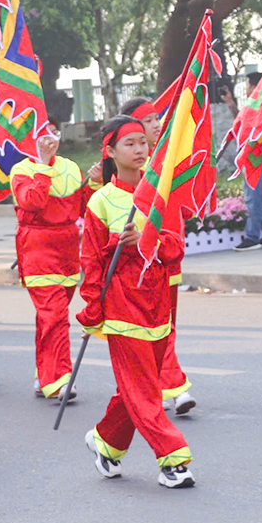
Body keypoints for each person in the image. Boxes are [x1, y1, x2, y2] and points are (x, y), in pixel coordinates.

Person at [79, 115, 195, 488]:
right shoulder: (101, 201)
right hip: (121, 307)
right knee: (146, 391)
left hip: (158, 303)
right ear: (110, 152)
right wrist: (93, 309)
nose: (140, 149)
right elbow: (91, 262)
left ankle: (107, 441)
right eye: (129, 143)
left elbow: (176, 247)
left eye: (143, 142)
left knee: (136, 388)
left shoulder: (160, 193)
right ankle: (172, 457)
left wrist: (150, 242)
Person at [10, 117, 100, 400]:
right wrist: (43, 164)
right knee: (55, 316)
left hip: (68, 250)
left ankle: (43, 374)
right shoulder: (21, 170)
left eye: (53, 132)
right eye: (42, 134)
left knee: (49, 318)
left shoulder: (71, 167)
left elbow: (84, 207)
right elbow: (33, 202)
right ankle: (60, 379)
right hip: (36, 249)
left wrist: (95, 184)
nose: (49, 138)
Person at [120, 96, 197, 415]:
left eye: (156, 118)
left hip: (169, 252)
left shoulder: (169, 162)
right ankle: (175, 385)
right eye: (147, 120)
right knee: (159, 326)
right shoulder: (131, 170)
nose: (156, 124)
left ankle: (156, 384)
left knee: (166, 327)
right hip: (139, 263)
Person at [235, 72, 262, 252]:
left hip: (253, 160)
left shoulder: (257, 107)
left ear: (254, 87)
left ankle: (252, 237)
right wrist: (231, 103)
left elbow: (242, 128)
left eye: (247, 84)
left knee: (253, 199)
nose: (246, 88)